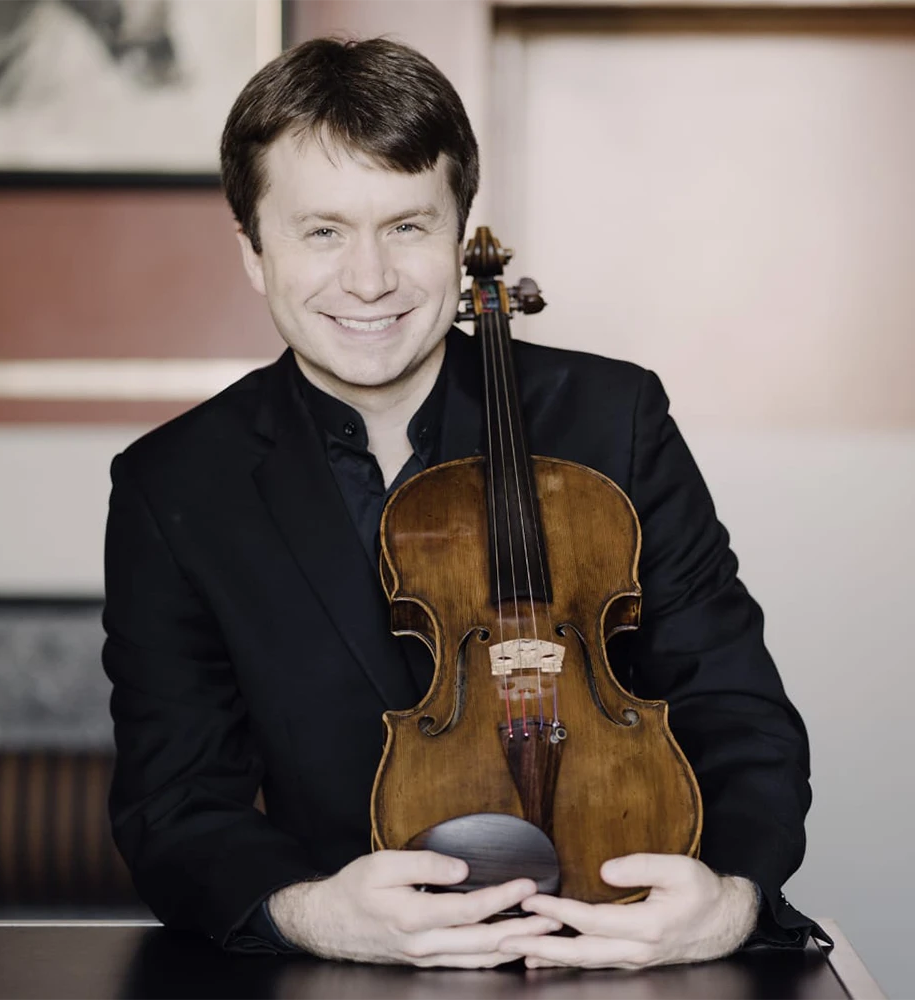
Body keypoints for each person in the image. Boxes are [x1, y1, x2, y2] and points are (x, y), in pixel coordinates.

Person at [102, 36, 821, 969]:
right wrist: (317, 914)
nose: (369, 280)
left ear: (460, 230)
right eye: (321, 231)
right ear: (253, 251)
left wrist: (729, 899)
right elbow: (174, 799)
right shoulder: (173, 485)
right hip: (347, 974)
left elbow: (739, 714)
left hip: (617, 953)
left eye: (407, 226)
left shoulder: (614, 418)